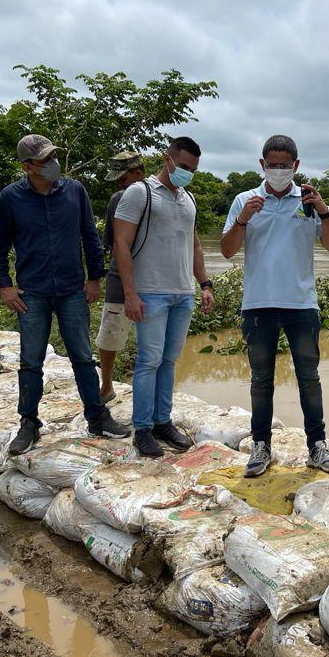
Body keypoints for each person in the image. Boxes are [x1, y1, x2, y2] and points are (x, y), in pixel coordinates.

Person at [0, 133, 129, 455]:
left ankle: (97, 415)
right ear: (27, 166)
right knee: (31, 360)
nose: (52, 165)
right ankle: (29, 422)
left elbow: (89, 236)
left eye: (54, 157)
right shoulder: (11, 197)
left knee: (82, 356)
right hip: (32, 292)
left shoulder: (75, 191)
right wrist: (5, 286)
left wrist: (94, 278)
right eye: (45, 160)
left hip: (71, 290)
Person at [221, 134, 329, 477]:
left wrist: (324, 209)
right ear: (262, 165)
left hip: (302, 305)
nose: (278, 171)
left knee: (309, 378)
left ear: (296, 166)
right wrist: (243, 219)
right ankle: (261, 446)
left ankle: (317, 446)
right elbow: (227, 250)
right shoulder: (245, 199)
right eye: (272, 165)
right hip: (258, 305)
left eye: (284, 166)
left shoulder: (307, 202)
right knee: (261, 380)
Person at [114, 137, 215, 458]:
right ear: (167, 159)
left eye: (193, 169)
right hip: (151, 293)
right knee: (148, 361)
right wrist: (130, 293)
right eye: (183, 166)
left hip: (182, 294)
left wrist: (205, 284)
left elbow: (195, 245)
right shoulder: (139, 193)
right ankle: (142, 429)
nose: (188, 173)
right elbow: (121, 244)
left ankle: (162, 422)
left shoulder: (189, 199)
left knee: (169, 361)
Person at [96, 151, 147, 403]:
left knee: (151, 343)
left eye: (123, 178)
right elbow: (115, 247)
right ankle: (106, 385)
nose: (120, 185)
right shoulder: (118, 199)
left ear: (139, 174)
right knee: (111, 333)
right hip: (119, 279)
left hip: (151, 280)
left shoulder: (156, 197)